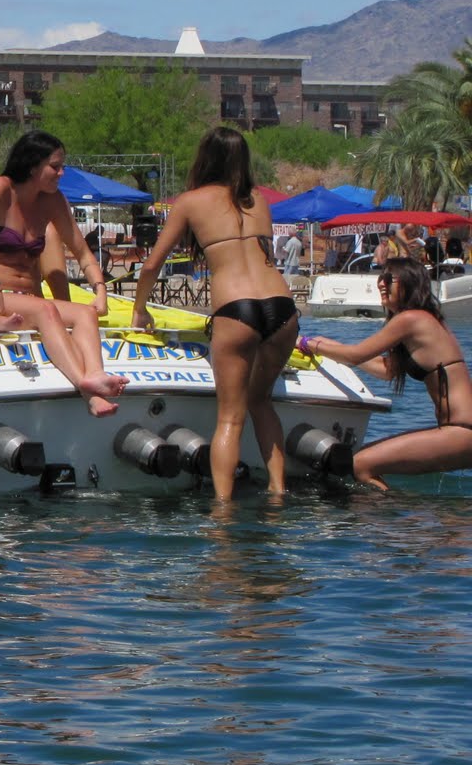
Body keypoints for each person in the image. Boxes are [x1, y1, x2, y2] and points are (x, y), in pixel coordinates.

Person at [129, 126, 296, 500]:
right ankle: (278, 490)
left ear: (204, 158)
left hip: (237, 311)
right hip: (283, 310)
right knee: (261, 402)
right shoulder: (258, 200)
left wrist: (139, 310)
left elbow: (152, 265)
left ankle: (223, 510)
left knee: (230, 418)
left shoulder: (190, 202)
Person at [0, 131, 128, 417]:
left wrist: (100, 290)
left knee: (84, 314)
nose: (62, 172)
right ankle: (87, 389)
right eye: (55, 166)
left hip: (29, 298)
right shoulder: (2, 188)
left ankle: (96, 374)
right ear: (34, 165)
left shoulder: (53, 200)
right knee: (46, 310)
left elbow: (82, 252)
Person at [299, 257, 472, 491]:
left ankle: (392, 524)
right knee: (363, 461)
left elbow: (355, 355)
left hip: (461, 432)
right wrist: (331, 347)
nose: (381, 283)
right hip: (457, 433)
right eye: (381, 277)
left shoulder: (412, 319)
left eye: (389, 278)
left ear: (409, 283)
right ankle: (426, 524)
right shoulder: (423, 320)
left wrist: (307, 343)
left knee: (359, 464)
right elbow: (387, 370)